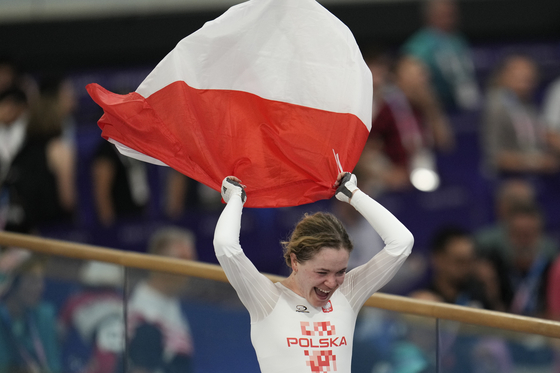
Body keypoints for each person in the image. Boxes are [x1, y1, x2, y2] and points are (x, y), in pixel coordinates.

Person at [213, 172, 414, 372]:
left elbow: (402, 243)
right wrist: (235, 198)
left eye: (341, 272)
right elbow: (225, 245)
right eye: (322, 272)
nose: (332, 283)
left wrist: (353, 194)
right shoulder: (267, 299)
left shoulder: (348, 293)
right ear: (295, 261)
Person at [3, 75, 77, 233]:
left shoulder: (24, 147)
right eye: (67, 95)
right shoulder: (59, 150)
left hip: (21, 230)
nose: (73, 101)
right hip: (51, 233)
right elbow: (68, 200)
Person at [126, 227, 197, 373]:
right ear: (159, 260)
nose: (190, 268)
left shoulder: (171, 302)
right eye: (182, 259)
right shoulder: (145, 314)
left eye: (192, 260)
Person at [481, 54, 559, 176]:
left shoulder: (528, 105)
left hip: (537, 174)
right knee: (519, 193)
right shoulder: (496, 106)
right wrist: (537, 162)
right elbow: (496, 157)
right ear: (503, 76)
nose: (526, 82)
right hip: (505, 177)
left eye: (529, 77)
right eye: (519, 76)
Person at [402, 0, 480, 112]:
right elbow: (409, 73)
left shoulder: (458, 40)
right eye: (444, 14)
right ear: (430, 15)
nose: (449, 19)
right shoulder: (421, 43)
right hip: (439, 104)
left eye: (451, 14)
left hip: (465, 100)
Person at [0, 255, 62, 373]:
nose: (41, 287)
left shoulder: (45, 316)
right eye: (33, 281)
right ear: (12, 284)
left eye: (41, 281)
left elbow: (54, 365)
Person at [91, 140, 150, 226]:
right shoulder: (106, 151)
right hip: (121, 218)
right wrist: (110, 227)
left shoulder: (135, 144)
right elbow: (101, 193)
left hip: (139, 214)